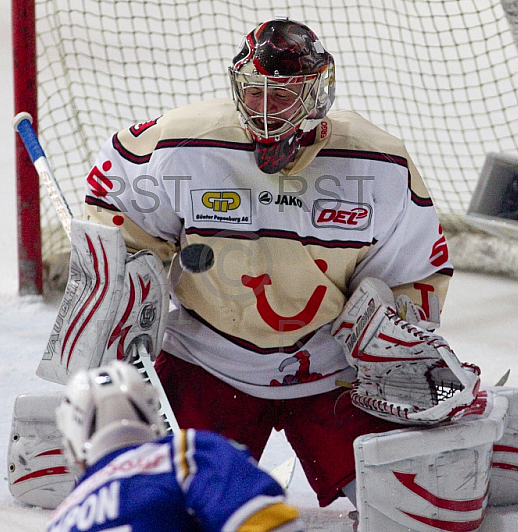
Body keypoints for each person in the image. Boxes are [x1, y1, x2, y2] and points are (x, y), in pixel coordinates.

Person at [80, 17, 460, 511]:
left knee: (421, 509)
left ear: (315, 95)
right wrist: (124, 285)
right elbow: (115, 206)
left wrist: (399, 329)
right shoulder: (183, 143)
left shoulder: (379, 163)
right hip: (209, 359)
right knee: (157, 505)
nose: (264, 109)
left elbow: (415, 271)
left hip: (332, 368)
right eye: (254, 92)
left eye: (282, 95)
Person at [48, 360, 305, 532]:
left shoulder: (60, 520)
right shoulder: (184, 451)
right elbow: (272, 525)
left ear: (73, 445)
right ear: (151, 414)